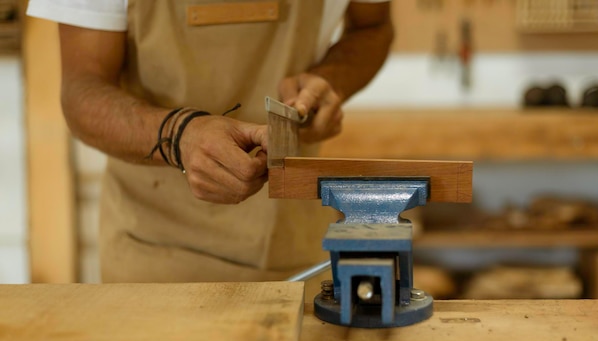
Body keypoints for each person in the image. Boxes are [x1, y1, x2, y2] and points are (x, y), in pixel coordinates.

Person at [27, 0, 394, 284]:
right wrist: (179, 134)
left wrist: (330, 80)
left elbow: (372, 26)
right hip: (153, 262)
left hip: (296, 253)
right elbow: (81, 91)